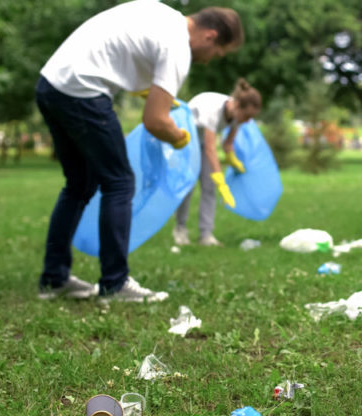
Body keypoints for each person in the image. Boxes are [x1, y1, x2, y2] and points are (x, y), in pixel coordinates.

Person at [36, 0, 244, 302]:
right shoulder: (178, 49)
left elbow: (118, 50)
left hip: (51, 84)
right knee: (119, 182)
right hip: (83, 91)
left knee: (79, 185)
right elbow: (155, 121)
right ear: (211, 35)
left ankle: (55, 279)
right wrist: (179, 137)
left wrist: (146, 90)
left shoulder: (160, 13)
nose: (210, 60)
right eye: (217, 53)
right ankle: (115, 284)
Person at [172, 79, 262, 246]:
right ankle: (180, 229)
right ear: (237, 106)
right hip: (186, 141)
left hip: (204, 143)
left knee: (209, 186)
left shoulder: (237, 117)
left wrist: (233, 160)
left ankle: (206, 235)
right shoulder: (212, 109)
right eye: (247, 116)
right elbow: (210, 148)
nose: (248, 121)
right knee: (188, 186)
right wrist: (222, 181)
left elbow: (227, 144)